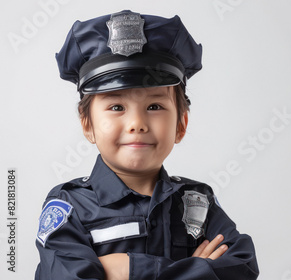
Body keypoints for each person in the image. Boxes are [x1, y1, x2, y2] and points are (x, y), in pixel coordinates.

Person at [34, 10, 259, 280]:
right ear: (87, 125)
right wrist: (198, 272)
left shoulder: (197, 202)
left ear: (181, 124)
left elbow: (241, 267)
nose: (137, 123)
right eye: (116, 106)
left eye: (154, 106)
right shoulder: (69, 206)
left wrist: (125, 269)